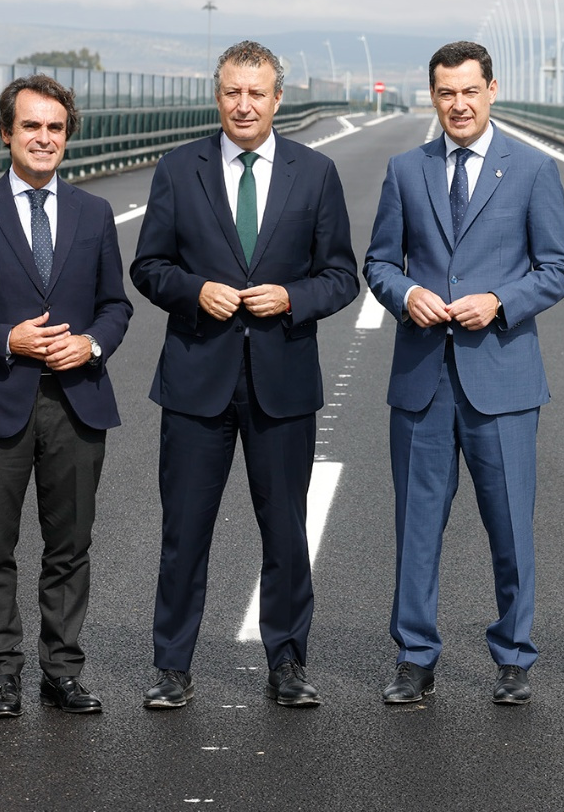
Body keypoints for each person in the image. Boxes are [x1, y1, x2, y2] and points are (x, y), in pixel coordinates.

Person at [130, 40, 358, 709]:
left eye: (257, 93)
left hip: (281, 379)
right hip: (198, 377)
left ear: (278, 99)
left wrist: (292, 298)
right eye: (233, 91)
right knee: (184, 532)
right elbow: (148, 267)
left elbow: (341, 274)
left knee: (286, 529)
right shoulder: (179, 169)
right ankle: (172, 666)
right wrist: (195, 290)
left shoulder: (315, 173)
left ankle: (287, 661)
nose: (244, 104)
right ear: (217, 94)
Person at [364, 40, 564, 705]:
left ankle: (513, 657)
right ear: (433, 96)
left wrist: (500, 301)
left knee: (510, 524)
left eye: (469, 90)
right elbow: (378, 263)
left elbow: (559, 268)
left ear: (492, 90)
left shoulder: (533, 169)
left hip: (502, 377)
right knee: (416, 526)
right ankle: (415, 656)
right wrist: (405, 295)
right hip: (424, 377)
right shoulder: (406, 170)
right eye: (445, 92)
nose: (458, 103)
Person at [0, 74, 133, 718]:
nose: (44, 139)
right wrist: (6, 339)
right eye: (31, 127)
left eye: (55, 128)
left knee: (70, 545)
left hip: (78, 401)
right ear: (6, 133)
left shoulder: (94, 214)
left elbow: (115, 306)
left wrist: (93, 346)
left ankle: (63, 671)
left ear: (68, 136)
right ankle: (1, 672)